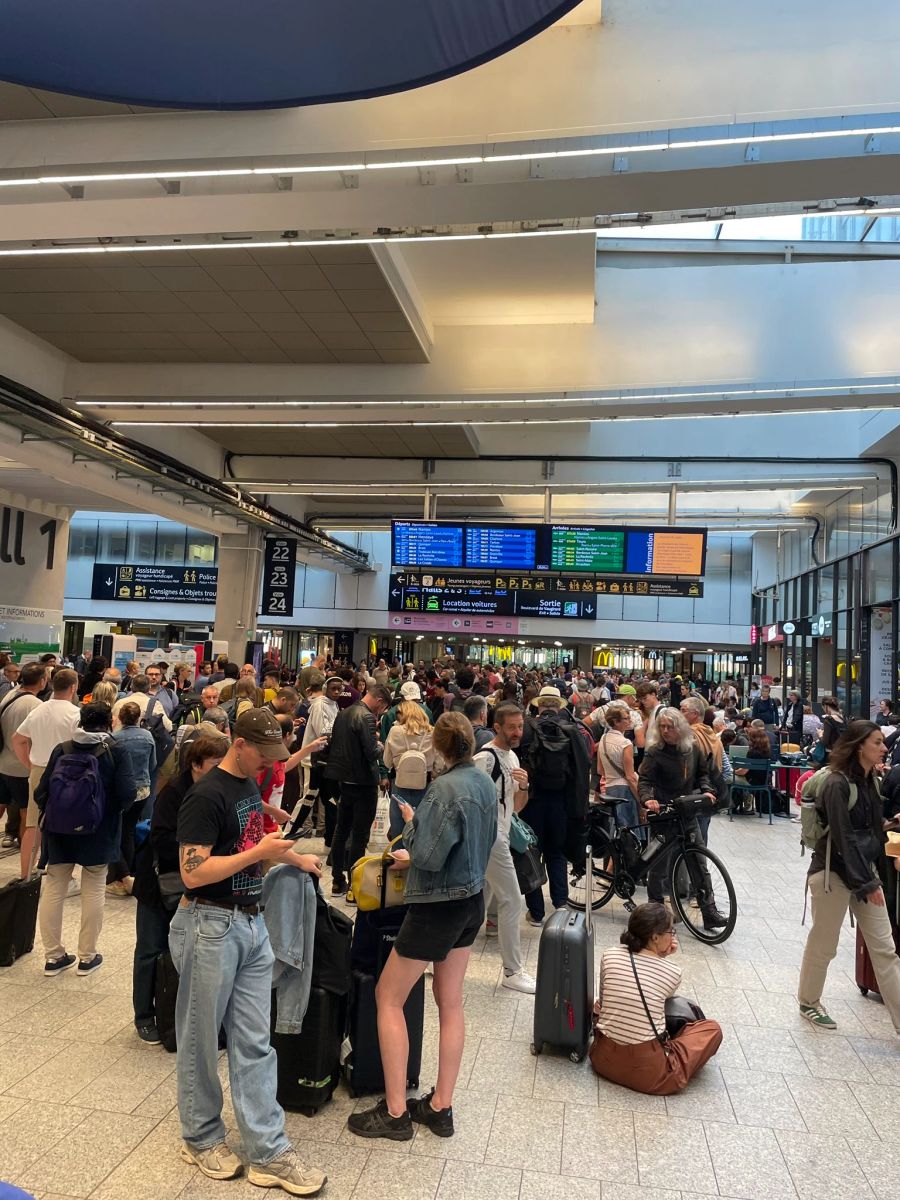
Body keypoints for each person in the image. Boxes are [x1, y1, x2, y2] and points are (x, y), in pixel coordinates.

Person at [170, 708, 327, 1193]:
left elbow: (241, 840)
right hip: (208, 923)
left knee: (255, 1041)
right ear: (239, 744)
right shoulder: (204, 795)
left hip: (250, 922)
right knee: (199, 1038)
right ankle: (200, 1137)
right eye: (263, 753)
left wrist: (280, 845)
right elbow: (193, 872)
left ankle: (267, 1150)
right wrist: (260, 852)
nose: (269, 763)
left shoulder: (246, 788)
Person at [348, 713, 498, 1141]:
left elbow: (428, 857)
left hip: (436, 906)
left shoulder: (443, 790)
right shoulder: (484, 782)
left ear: (439, 746)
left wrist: (414, 824)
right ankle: (440, 1106)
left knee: (388, 996)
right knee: (451, 1002)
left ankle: (396, 1113)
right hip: (471, 900)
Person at [798, 720, 900, 1032]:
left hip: (862, 874)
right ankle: (808, 1002)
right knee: (824, 944)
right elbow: (843, 839)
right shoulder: (836, 784)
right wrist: (869, 884)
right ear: (859, 746)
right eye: (877, 742)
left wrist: (889, 822)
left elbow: (866, 831)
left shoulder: (871, 780)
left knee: (885, 949)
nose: (884, 748)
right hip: (832, 874)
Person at [131, 731, 230, 1042]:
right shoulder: (174, 792)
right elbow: (160, 838)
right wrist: (200, 848)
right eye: (215, 763)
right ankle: (144, 1015)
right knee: (150, 949)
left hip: (195, 885)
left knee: (188, 955)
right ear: (196, 764)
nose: (221, 769)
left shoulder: (219, 790)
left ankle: (178, 1014)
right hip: (159, 884)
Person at [34, 702, 137, 977]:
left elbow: (41, 792)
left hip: (58, 830)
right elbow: (128, 793)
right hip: (98, 830)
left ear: (81, 721)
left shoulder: (63, 748)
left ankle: (54, 957)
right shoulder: (115, 750)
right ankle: (87, 957)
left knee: (55, 887)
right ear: (109, 723)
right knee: (93, 887)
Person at [589, 902, 722, 1094]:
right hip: (648, 1075)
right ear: (655, 937)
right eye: (671, 931)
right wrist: (664, 956)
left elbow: (604, 999)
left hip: (602, 1060)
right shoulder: (673, 972)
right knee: (712, 1029)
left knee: (601, 1005)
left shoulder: (609, 955)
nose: (673, 936)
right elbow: (660, 992)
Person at [637, 708, 727, 932]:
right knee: (658, 864)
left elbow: (703, 774)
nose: (666, 731)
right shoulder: (654, 752)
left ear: (680, 728)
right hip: (664, 814)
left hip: (686, 812)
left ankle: (709, 911)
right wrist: (648, 799)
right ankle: (655, 911)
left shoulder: (692, 749)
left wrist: (707, 790)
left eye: (670, 727)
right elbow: (645, 780)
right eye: (662, 727)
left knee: (698, 861)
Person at [473, 702, 536, 993]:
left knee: (479, 899)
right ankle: (513, 970)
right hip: (490, 837)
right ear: (496, 727)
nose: (517, 731)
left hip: (501, 833)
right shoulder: (485, 759)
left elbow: (517, 808)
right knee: (512, 899)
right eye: (511, 727)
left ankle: (444, 957)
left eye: (520, 726)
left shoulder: (513, 758)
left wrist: (523, 787)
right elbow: (471, 799)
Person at [519, 685, 591, 925]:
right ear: (560, 706)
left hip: (531, 801)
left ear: (539, 705)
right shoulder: (573, 730)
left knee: (531, 853)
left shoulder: (527, 728)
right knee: (556, 853)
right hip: (561, 802)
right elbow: (582, 771)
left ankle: (536, 912)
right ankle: (560, 904)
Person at [325, 682, 392, 898]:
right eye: (382, 708)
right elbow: (371, 752)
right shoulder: (367, 717)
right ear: (380, 702)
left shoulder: (343, 713)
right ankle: (355, 885)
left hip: (343, 780)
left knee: (341, 830)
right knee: (360, 835)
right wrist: (380, 745)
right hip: (363, 782)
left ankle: (337, 880)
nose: (380, 712)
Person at [12, 666, 80, 879]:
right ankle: (62, 877)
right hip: (68, 772)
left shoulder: (39, 709)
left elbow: (18, 739)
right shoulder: (76, 713)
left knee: (33, 825)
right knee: (66, 824)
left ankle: (26, 875)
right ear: (73, 687)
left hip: (39, 770)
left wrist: (29, 764)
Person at [107, 701, 157, 898]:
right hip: (143, 789)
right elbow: (153, 764)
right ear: (139, 718)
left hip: (121, 791)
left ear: (120, 717)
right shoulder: (148, 736)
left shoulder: (115, 738)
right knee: (128, 831)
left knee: (115, 832)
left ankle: (122, 875)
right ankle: (126, 875)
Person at [0, 663, 45, 852]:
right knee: (28, 814)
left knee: (2, 804)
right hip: (22, 768)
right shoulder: (36, 706)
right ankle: (25, 853)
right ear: (42, 681)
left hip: (2, 763)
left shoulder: (11, 695)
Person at [383, 699, 436, 839]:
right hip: (424, 784)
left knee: (398, 831)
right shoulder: (433, 732)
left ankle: (399, 858)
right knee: (421, 830)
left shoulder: (395, 731)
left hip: (399, 783)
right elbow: (439, 764)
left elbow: (386, 762)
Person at [597, 702, 641, 831]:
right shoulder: (625, 743)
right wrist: (641, 800)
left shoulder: (603, 739)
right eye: (626, 718)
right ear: (616, 721)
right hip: (625, 789)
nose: (630, 720)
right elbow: (630, 776)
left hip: (610, 787)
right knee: (630, 829)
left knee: (617, 827)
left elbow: (600, 769)